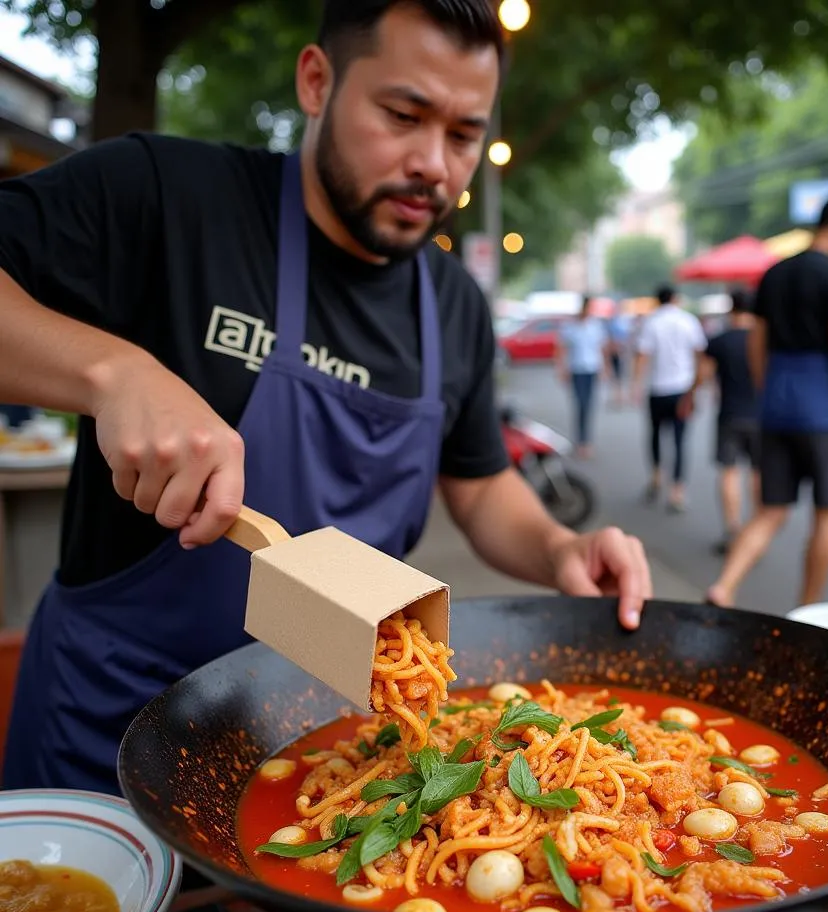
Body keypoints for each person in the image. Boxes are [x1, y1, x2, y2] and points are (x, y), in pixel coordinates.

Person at [0, 0, 651, 795]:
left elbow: (480, 488)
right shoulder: (167, 195)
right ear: (317, 82)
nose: (434, 165)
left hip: (331, 752)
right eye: (403, 114)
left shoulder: (453, 304)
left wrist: (558, 550)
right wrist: (110, 371)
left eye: (463, 134)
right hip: (107, 734)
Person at [707, 195, 828, 608]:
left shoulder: (774, 273)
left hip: (776, 404)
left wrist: (770, 391)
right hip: (824, 409)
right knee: (827, 514)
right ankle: (807, 610)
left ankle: (723, 586)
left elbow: (757, 344)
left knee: (769, 510)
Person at [633, 284, 707, 513]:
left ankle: (656, 475)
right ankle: (677, 489)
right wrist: (698, 386)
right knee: (680, 440)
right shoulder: (688, 321)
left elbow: (643, 356)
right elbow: (700, 355)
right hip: (683, 388)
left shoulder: (651, 322)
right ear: (675, 299)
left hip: (658, 388)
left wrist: (635, 384)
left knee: (655, 435)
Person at [702, 290, 761, 555]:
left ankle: (733, 528)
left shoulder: (720, 341)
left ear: (731, 309)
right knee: (759, 474)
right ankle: (758, 531)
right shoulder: (764, 341)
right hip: (762, 416)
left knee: (729, 472)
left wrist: (690, 395)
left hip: (729, 414)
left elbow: (703, 375)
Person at [555, 295, 608, 458]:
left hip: (591, 369)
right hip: (577, 370)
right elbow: (562, 348)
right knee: (580, 404)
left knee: (589, 406)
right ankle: (580, 441)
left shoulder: (595, 326)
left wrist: (605, 369)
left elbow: (601, 348)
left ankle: (586, 441)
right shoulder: (570, 326)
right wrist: (561, 368)